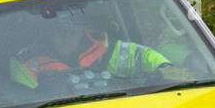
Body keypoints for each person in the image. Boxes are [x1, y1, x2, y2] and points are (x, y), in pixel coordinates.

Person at [10, 19, 191, 88]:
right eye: (59, 32)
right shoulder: (26, 62)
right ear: (48, 31)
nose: (65, 38)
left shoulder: (115, 50)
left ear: (84, 30)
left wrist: (163, 74)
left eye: (71, 32)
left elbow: (179, 75)